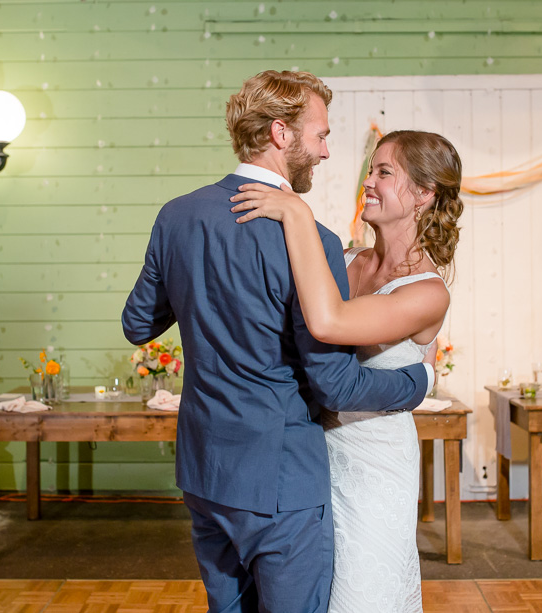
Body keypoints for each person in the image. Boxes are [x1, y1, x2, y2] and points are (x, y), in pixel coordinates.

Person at [121, 72, 435, 613]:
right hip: (280, 481)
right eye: (320, 136)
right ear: (282, 135)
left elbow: (137, 325)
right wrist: (418, 380)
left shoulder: (176, 216)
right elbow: (333, 383)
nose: (326, 152)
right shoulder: (315, 242)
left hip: (203, 473)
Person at [230, 130, 464, 612]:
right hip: (312, 455)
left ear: (424, 194)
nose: (369, 183)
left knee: (360, 594)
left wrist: (296, 212)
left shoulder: (427, 292)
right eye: (370, 171)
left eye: (384, 172)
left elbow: (329, 322)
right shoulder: (343, 259)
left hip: (375, 465)